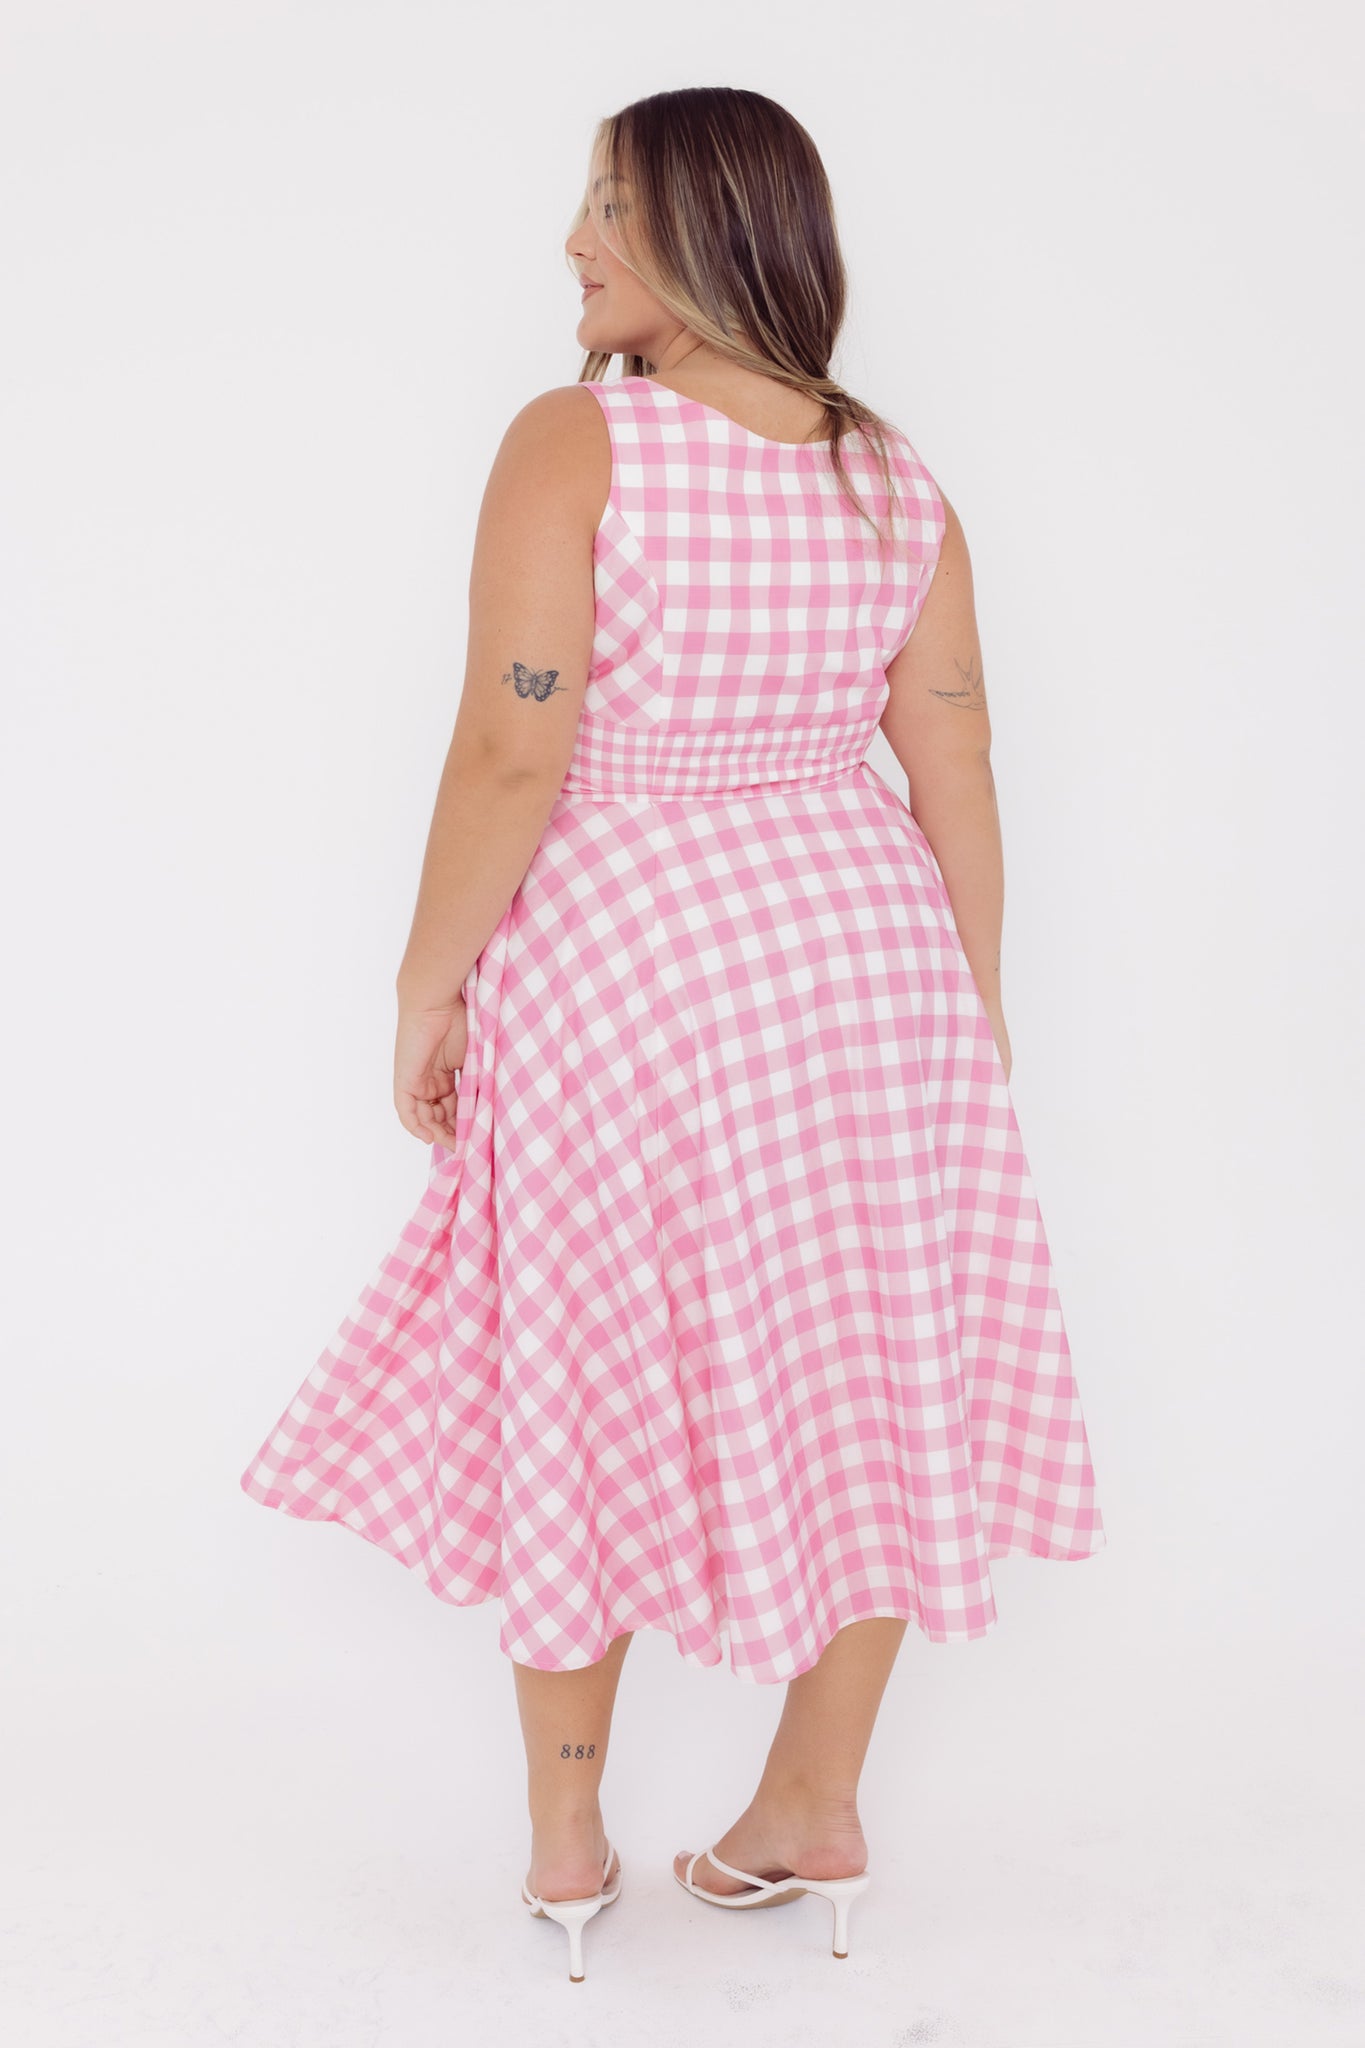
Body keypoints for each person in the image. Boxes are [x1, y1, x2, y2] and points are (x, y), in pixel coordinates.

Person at [239, 85, 1106, 1983]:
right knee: (871, 1355)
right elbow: (950, 748)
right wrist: (970, 1011)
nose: (570, 242)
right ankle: (812, 1805)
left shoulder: (582, 441)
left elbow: (513, 743)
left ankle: (566, 1847)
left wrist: (424, 982)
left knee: (579, 1351)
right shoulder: (893, 475)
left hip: (628, 962)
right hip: (864, 968)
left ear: (709, 239)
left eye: (607, 211)